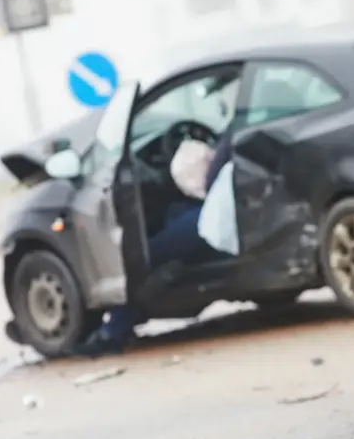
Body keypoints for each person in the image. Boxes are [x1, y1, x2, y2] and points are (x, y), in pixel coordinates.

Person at [74, 128, 234, 355]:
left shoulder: (237, 131)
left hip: (217, 214)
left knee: (143, 258)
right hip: (221, 205)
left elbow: (210, 180)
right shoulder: (243, 127)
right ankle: (172, 268)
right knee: (173, 211)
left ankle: (113, 332)